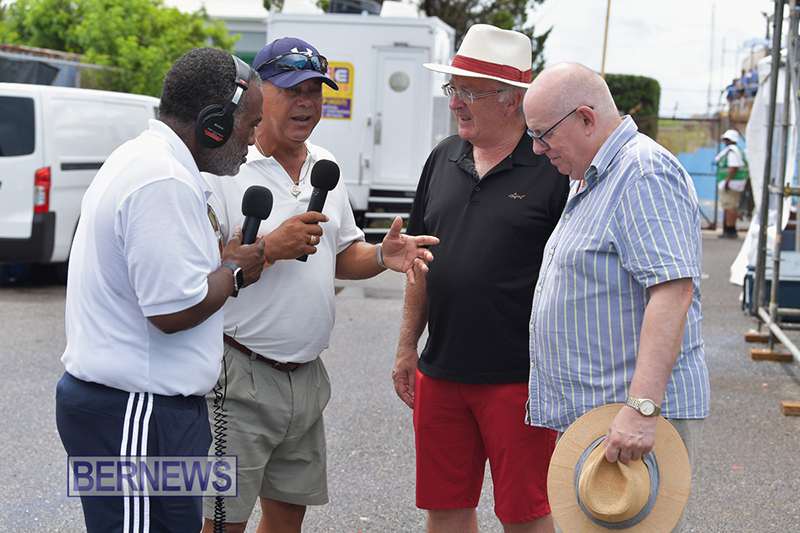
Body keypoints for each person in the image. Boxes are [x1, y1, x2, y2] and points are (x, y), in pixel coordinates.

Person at [200, 37, 438, 533]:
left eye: (315, 90)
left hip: (305, 378)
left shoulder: (324, 164)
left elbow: (341, 255)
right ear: (259, 93)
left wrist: (379, 255)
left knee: (288, 519)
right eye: (292, 89)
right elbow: (197, 267)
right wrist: (270, 245)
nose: (307, 102)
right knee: (221, 522)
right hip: (236, 377)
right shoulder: (224, 169)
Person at [55, 47, 268, 533]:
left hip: (154, 411)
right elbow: (172, 310)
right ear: (214, 123)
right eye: (250, 125)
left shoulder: (155, 163)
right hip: (134, 410)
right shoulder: (162, 178)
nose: (253, 142)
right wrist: (233, 272)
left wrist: (222, 266)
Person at [392, 25, 570, 533]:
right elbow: (418, 262)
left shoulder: (553, 166)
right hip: (441, 373)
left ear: (513, 100)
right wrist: (408, 348)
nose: (456, 103)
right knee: (444, 509)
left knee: (526, 513)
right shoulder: (442, 157)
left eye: (471, 92)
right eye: (454, 90)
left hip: (522, 381)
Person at [523, 62, 710, 533]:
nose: (537, 148)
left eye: (543, 134)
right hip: (605, 413)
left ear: (586, 118)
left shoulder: (642, 173)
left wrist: (642, 409)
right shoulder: (595, 174)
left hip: (628, 418)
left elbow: (672, 292)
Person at [715, 128, 748, 238]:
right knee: (732, 206)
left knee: (729, 206)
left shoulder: (732, 151)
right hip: (734, 183)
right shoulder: (737, 150)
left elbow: (734, 166)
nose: (725, 141)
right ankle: (731, 229)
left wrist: (727, 181)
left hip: (730, 183)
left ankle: (729, 230)